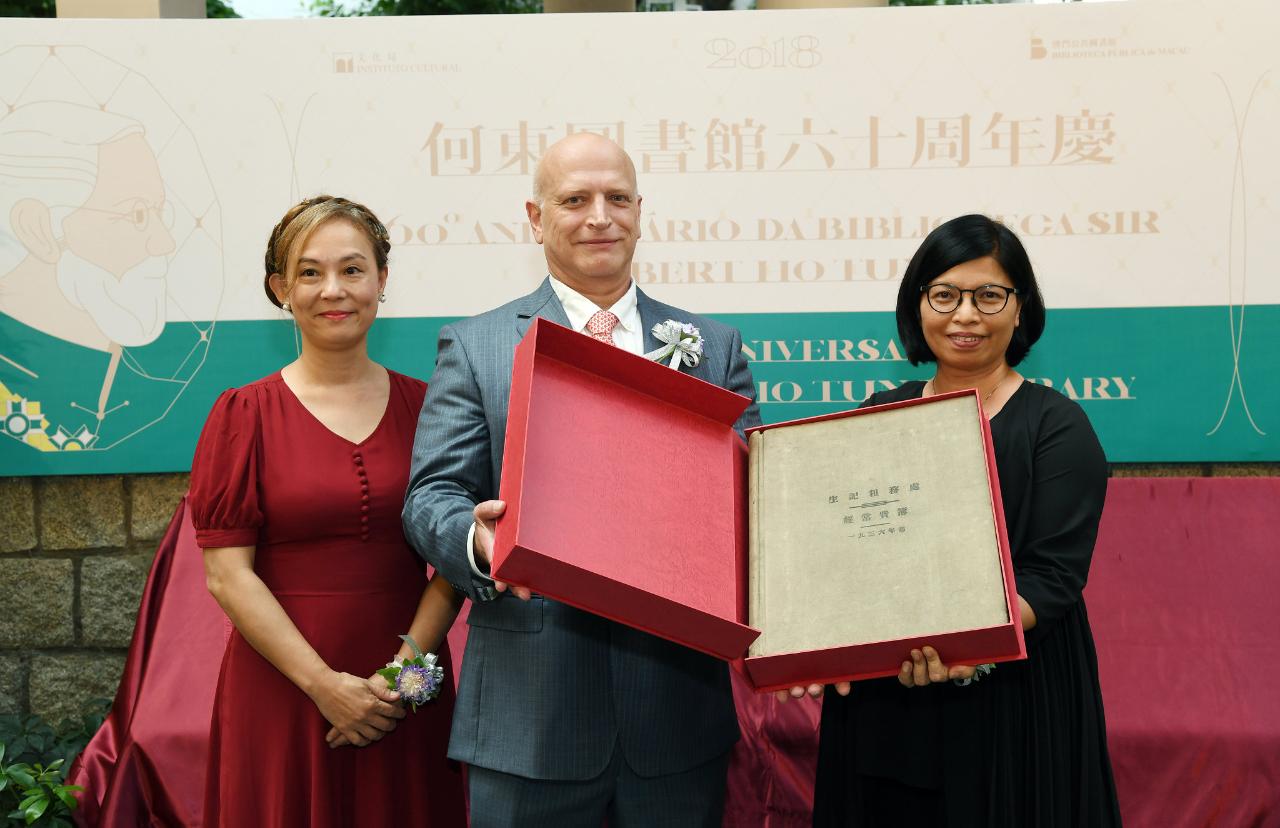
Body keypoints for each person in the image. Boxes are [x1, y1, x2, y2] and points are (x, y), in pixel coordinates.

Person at [403, 132, 760, 826]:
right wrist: (480, 543)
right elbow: (430, 497)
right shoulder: (476, 346)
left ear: (639, 211)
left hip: (675, 717)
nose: (600, 217)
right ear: (536, 219)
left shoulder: (713, 348)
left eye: (617, 198)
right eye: (574, 200)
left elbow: (749, 504)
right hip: (528, 718)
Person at [802, 214, 1121, 826]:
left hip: (1011, 701)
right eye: (945, 295)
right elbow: (840, 556)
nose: (965, 315)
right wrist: (818, 646)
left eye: (988, 296)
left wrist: (963, 646)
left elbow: (1052, 577)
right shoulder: (877, 414)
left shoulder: (1056, 427)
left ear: (1020, 309)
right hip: (886, 697)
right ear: (918, 304)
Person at [188, 196, 466, 827]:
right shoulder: (243, 414)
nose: (333, 290)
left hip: (405, 690)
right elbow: (227, 576)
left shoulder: (434, 411)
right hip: (282, 686)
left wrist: (403, 676)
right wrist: (324, 686)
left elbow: (457, 559)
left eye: (352, 269)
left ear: (382, 280)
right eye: (309, 273)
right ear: (280, 289)